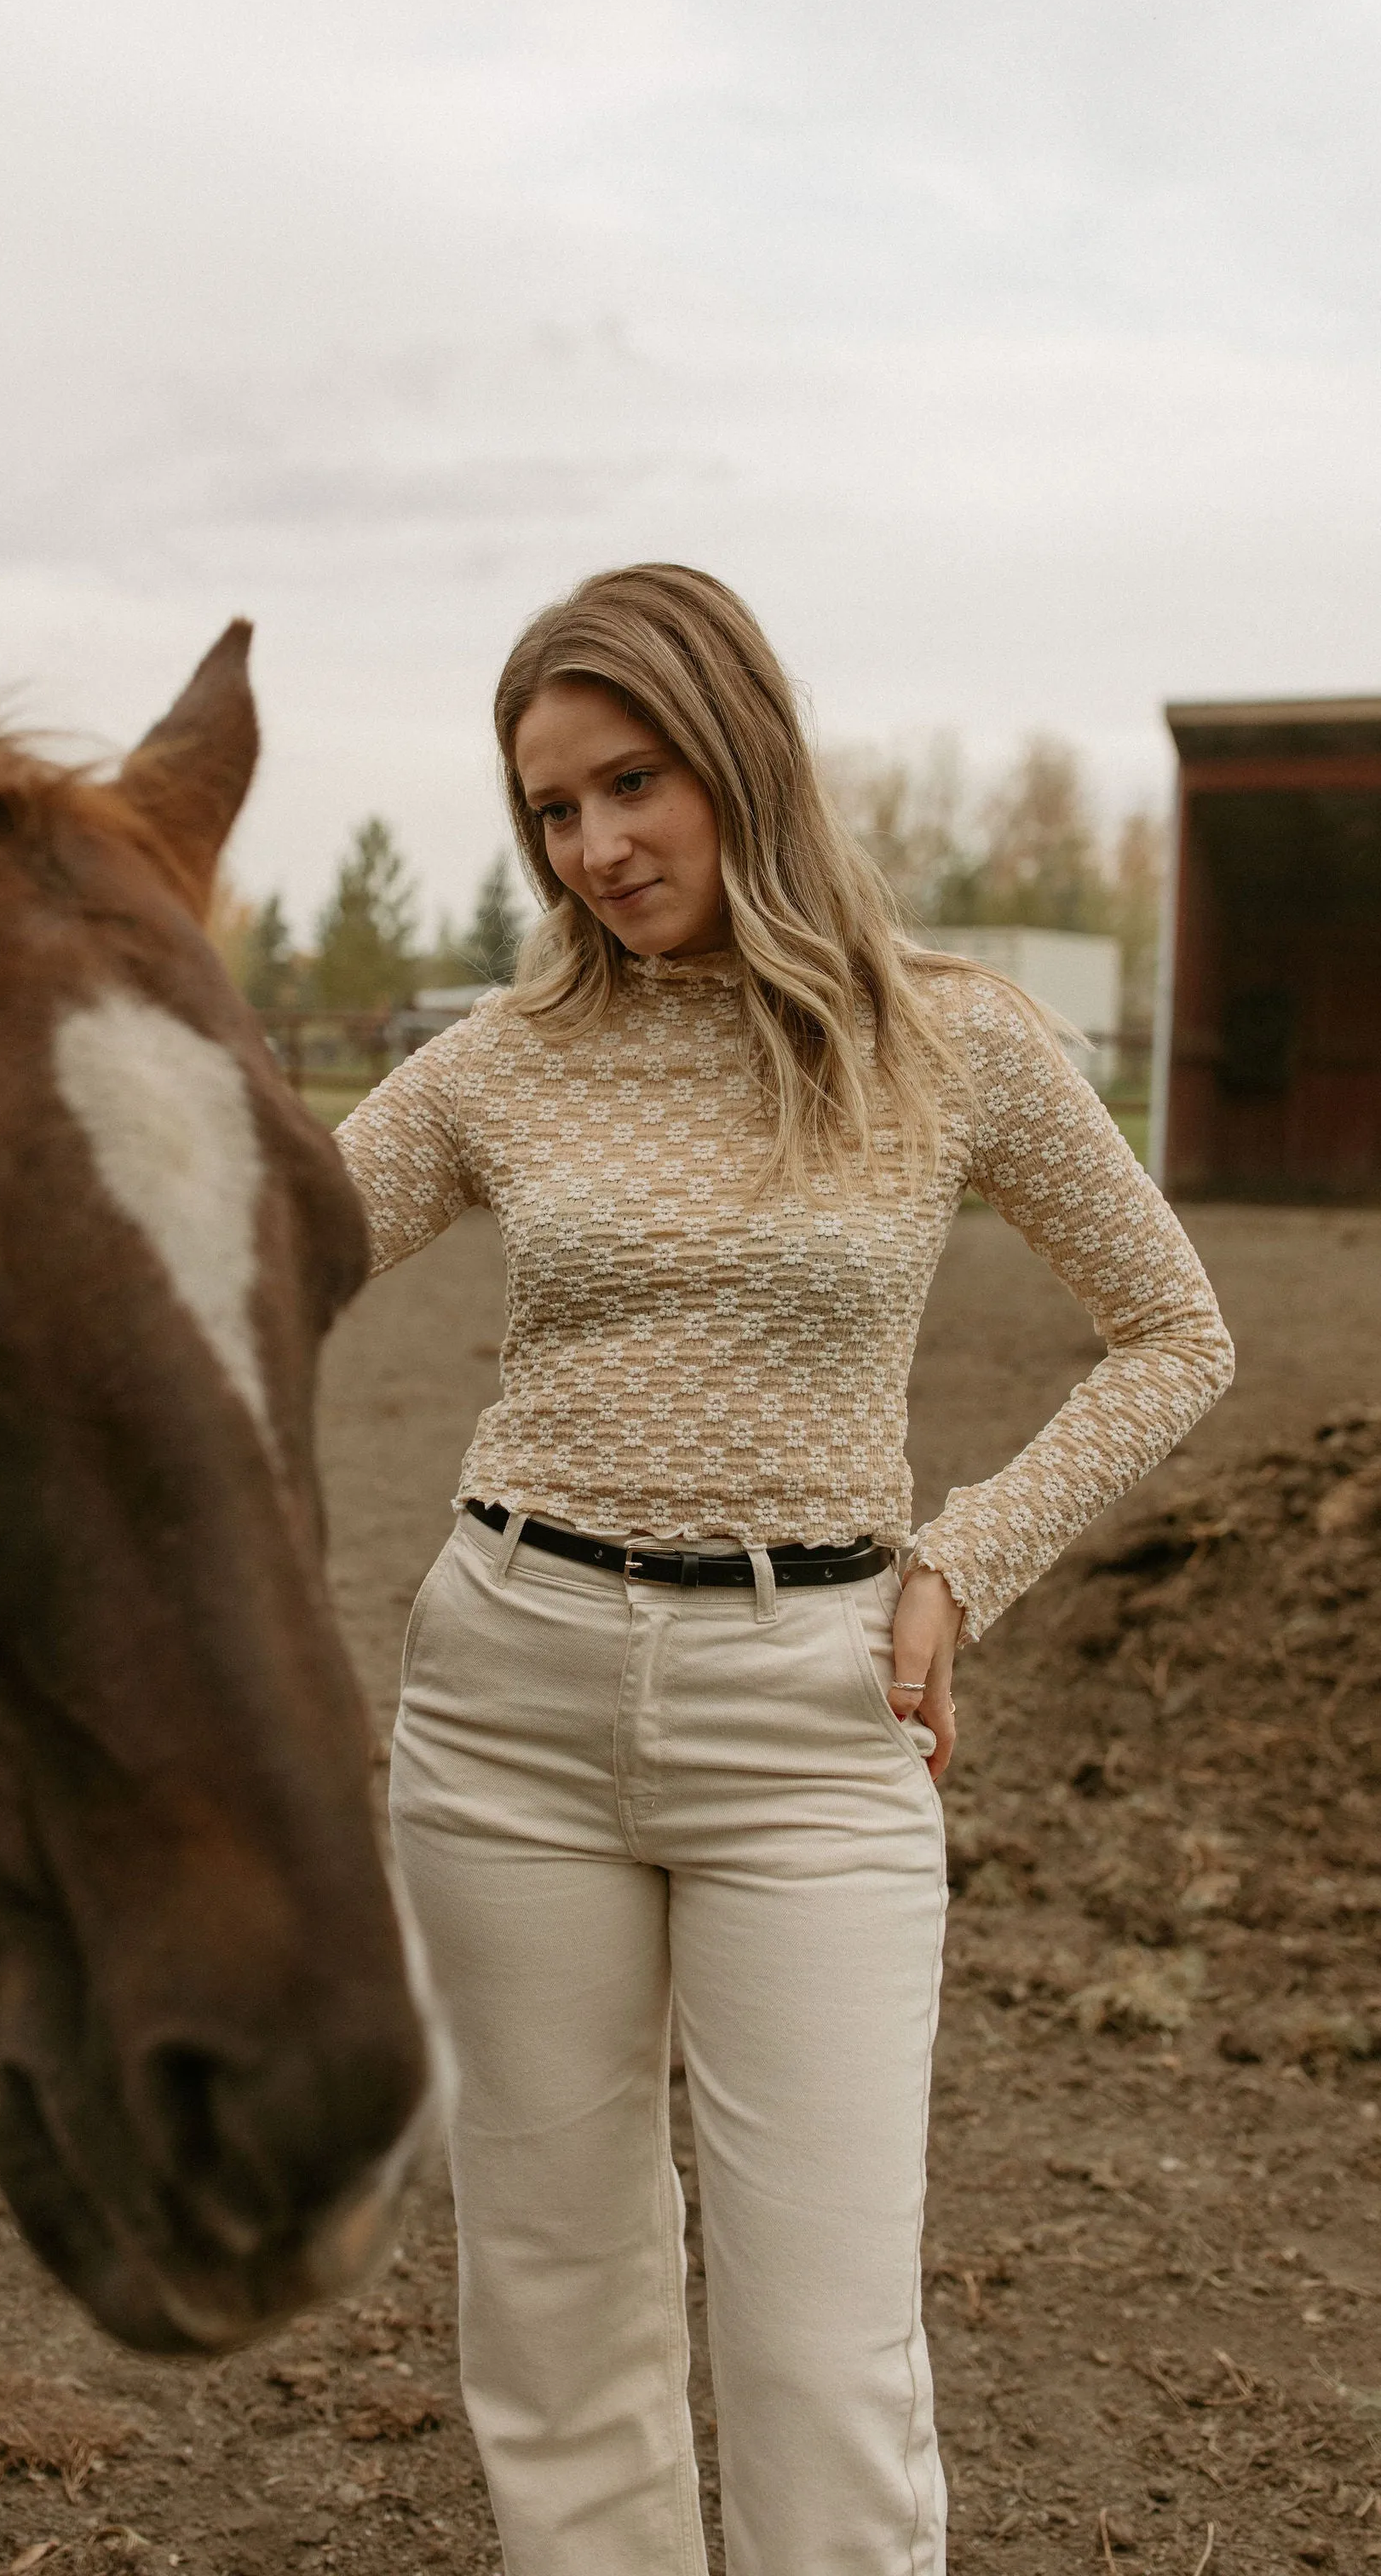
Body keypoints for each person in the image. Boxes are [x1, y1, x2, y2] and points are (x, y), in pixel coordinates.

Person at [334, 565, 1232, 2576]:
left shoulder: (956, 1042)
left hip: (811, 1720)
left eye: (630, 782)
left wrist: (960, 1565)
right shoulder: (501, 1059)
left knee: (825, 2356)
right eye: (551, 810)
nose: (595, 846)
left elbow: (1178, 1332)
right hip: (506, 1698)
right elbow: (249, 1245)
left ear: (739, 749)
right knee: (556, 2325)